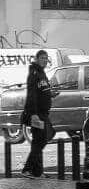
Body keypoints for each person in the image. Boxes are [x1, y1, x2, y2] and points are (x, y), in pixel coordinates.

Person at [19, 50, 55, 179]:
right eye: (42, 58)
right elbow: (32, 95)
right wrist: (34, 114)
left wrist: (50, 94)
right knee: (40, 141)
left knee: (41, 139)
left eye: (46, 58)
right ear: (37, 59)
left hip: (44, 113)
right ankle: (30, 169)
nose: (45, 60)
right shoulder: (34, 73)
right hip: (37, 114)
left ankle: (36, 171)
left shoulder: (42, 73)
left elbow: (42, 90)